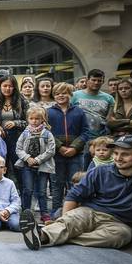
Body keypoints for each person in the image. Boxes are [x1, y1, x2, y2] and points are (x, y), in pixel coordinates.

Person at [21, 135, 132, 250]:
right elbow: (73, 195)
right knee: (72, 219)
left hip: (121, 223)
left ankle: (63, 237)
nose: (118, 158)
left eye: (125, 154)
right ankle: (41, 236)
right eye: (116, 153)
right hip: (91, 212)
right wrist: (65, 218)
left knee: (120, 237)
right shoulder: (100, 171)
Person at [47, 83, 89, 214]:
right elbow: (47, 132)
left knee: (75, 183)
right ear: (54, 96)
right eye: (57, 93)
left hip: (76, 154)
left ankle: (74, 212)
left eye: (64, 93)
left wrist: (75, 148)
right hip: (56, 154)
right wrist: (59, 147)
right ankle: (56, 212)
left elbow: (86, 132)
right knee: (57, 185)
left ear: (70, 95)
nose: (61, 96)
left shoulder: (79, 111)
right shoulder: (49, 112)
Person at [15, 107, 55, 222]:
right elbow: (18, 148)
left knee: (42, 192)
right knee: (27, 190)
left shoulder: (47, 134)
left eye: (37, 119)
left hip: (43, 167)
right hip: (27, 166)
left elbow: (51, 150)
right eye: (31, 118)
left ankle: (44, 214)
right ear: (28, 119)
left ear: (42, 119)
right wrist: (27, 158)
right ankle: (26, 212)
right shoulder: (25, 133)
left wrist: (38, 159)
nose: (34, 121)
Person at [0, 74, 28, 185]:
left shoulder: (22, 101)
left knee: (18, 167)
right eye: (5, 86)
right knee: (0, 166)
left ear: (14, 87)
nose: (7, 88)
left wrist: (16, 123)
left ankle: (21, 193)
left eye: (10, 86)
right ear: (0, 86)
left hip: (18, 138)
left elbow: (30, 122)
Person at [71, 69, 114, 169]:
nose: (96, 83)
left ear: (103, 81)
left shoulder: (109, 98)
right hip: (80, 138)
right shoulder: (75, 95)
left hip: (100, 138)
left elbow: (109, 118)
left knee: (101, 168)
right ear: (87, 80)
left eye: (99, 80)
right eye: (94, 80)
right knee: (83, 169)